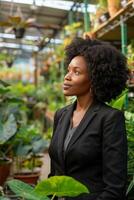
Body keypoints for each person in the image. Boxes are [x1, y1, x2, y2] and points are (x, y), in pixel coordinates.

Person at [48, 37, 128, 200]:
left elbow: (114, 187)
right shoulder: (61, 114)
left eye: (76, 72)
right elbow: (54, 173)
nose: (67, 77)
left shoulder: (109, 118)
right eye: (68, 69)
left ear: (94, 79)